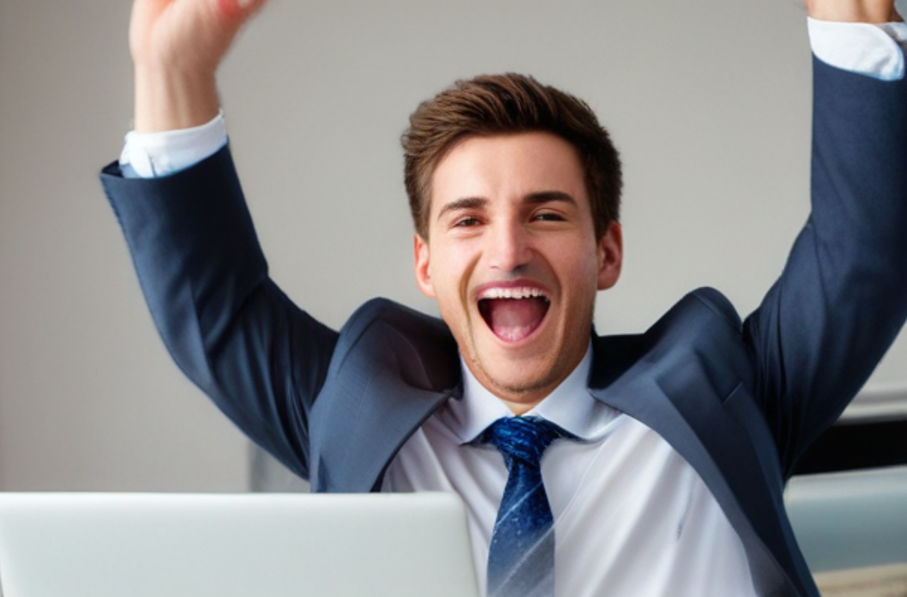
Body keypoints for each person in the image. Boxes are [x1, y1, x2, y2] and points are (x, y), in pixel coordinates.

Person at [100, 0, 907, 595]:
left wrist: (851, 16)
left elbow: (863, 257)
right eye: (468, 219)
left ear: (607, 251)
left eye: (545, 214)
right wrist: (172, 71)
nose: (508, 248)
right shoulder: (358, 410)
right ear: (424, 264)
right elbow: (218, 312)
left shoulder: (725, 393)